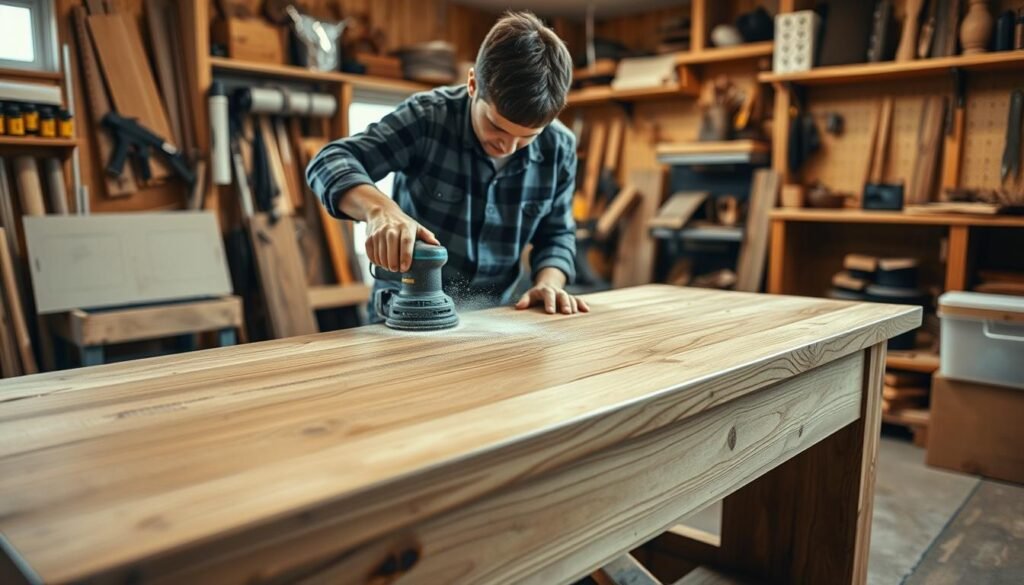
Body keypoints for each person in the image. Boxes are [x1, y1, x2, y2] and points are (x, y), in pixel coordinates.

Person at [306, 11, 589, 316]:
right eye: (496, 126)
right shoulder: (428, 117)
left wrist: (549, 282)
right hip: (404, 310)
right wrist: (379, 210)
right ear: (472, 85)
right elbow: (329, 160)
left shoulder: (559, 147)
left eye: (526, 138)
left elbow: (557, 234)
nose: (506, 146)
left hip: (493, 315)